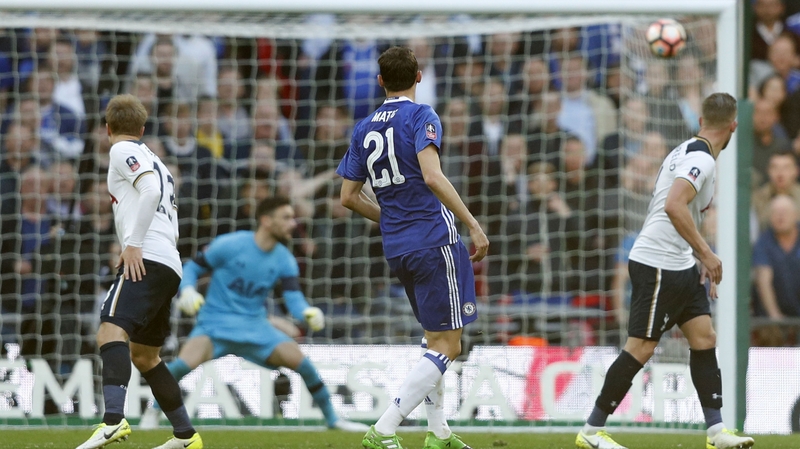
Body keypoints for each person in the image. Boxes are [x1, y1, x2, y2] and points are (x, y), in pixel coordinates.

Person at [574, 93, 754, 449]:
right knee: (641, 347)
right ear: (734, 126)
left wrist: (696, 256)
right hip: (658, 262)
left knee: (704, 338)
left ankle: (716, 432)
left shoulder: (684, 150)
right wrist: (707, 253)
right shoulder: (702, 159)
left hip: (681, 262)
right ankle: (591, 431)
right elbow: (674, 206)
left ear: (701, 121)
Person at [337, 46, 489, 449]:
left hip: (398, 247)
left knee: (433, 339)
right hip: (435, 240)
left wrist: (390, 219)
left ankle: (438, 434)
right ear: (419, 76)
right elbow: (433, 177)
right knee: (449, 345)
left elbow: (348, 197)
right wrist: (472, 224)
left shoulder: (363, 127)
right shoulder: (422, 115)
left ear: (380, 81)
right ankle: (384, 429)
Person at [139, 196, 368, 432]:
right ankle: (153, 411)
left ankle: (333, 420)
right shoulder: (230, 244)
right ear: (266, 221)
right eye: (286, 217)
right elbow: (192, 267)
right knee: (180, 367)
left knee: (304, 364)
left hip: (256, 328)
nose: (293, 223)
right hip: (215, 325)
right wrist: (187, 290)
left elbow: (293, 299)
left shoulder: (285, 259)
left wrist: (307, 312)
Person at [76, 94, 202, 449]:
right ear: (143, 128)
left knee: (109, 331)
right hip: (168, 262)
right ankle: (186, 436)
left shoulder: (121, 150)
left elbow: (149, 192)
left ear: (107, 128)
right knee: (146, 355)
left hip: (146, 257)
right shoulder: (155, 159)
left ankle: (112, 421)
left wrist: (133, 244)